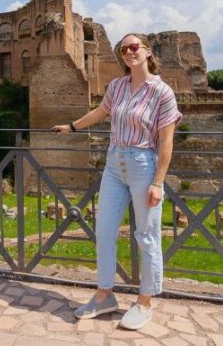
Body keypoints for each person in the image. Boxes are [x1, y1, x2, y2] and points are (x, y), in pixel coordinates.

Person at [51, 33, 181, 330]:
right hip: (113, 164)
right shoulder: (117, 86)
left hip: (143, 165)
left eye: (135, 47)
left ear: (148, 51)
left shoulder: (162, 92)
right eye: (124, 49)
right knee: (105, 230)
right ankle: (104, 295)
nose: (129, 52)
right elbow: (101, 112)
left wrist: (158, 182)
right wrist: (72, 126)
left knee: (146, 234)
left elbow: (166, 141)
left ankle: (144, 301)